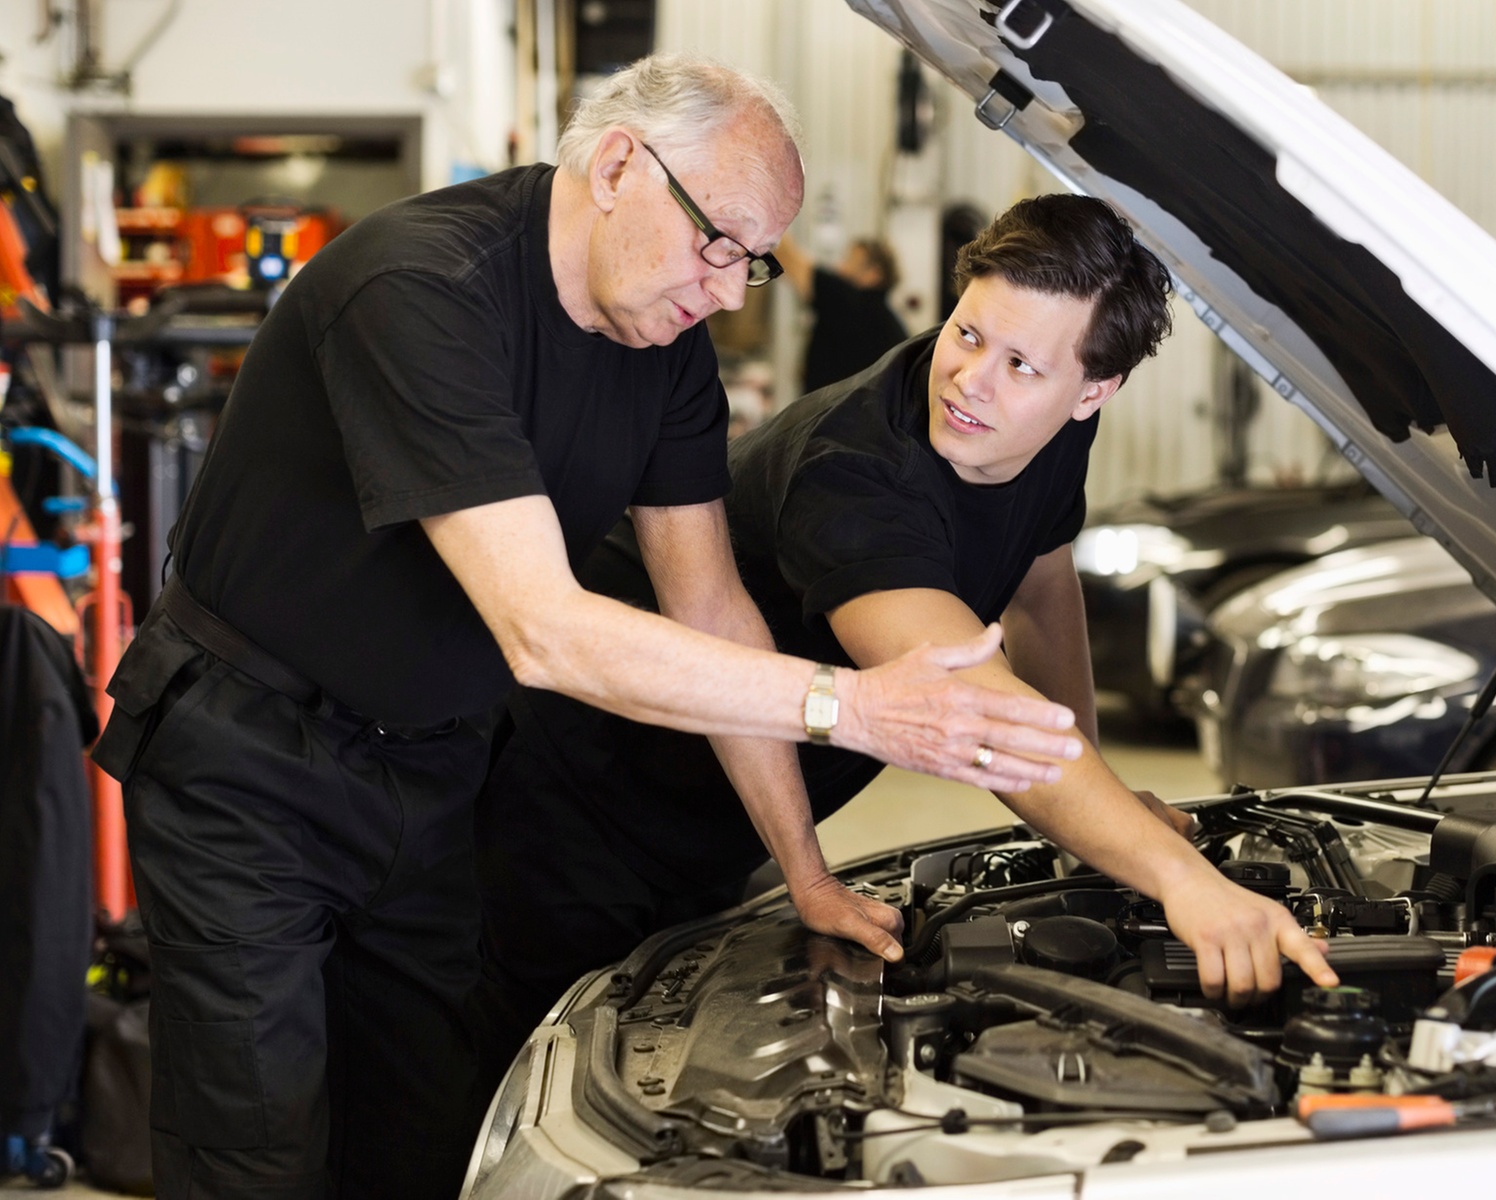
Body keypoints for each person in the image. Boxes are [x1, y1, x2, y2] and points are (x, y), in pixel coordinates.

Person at [88, 55, 1082, 1200]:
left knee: (421, 1126)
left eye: (752, 261)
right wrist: (850, 705)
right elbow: (545, 631)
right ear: (618, 165)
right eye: (721, 242)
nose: (730, 291)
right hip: (252, 761)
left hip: (437, 764)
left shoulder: (663, 353)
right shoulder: (421, 290)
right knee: (255, 1141)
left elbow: (709, 600)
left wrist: (801, 866)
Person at [469, 195, 1340, 1096]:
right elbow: (985, 719)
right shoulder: (858, 475)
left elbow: (1041, 588)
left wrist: (1102, 804)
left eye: (1019, 365)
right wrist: (1183, 882)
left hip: (727, 808)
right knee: (540, 1080)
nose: (971, 383)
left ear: (1092, 393)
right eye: (966, 336)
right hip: (575, 794)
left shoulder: (1038, 434)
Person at [773, 232, 910, 392]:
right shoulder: (890, 324)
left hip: (827, 412)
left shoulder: (851, 302)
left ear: (874, 274)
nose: (840, 267)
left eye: (851, 262)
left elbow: (787, 258)